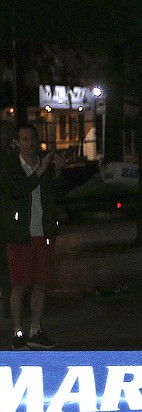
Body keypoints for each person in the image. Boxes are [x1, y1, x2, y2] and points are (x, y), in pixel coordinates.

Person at [3, 124, 64, 350]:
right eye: (24, 139)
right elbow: (15, 191)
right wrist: (39, 173)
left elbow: (58, 192)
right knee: (19, 285)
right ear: (17, 142)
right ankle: (18, 332)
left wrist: (57, 171)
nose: (29, 143)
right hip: (20, 235)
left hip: (43, 233)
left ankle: (35, 330)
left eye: (32, 139)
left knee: (41, 283)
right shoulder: (11, 167)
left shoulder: (44, 165)